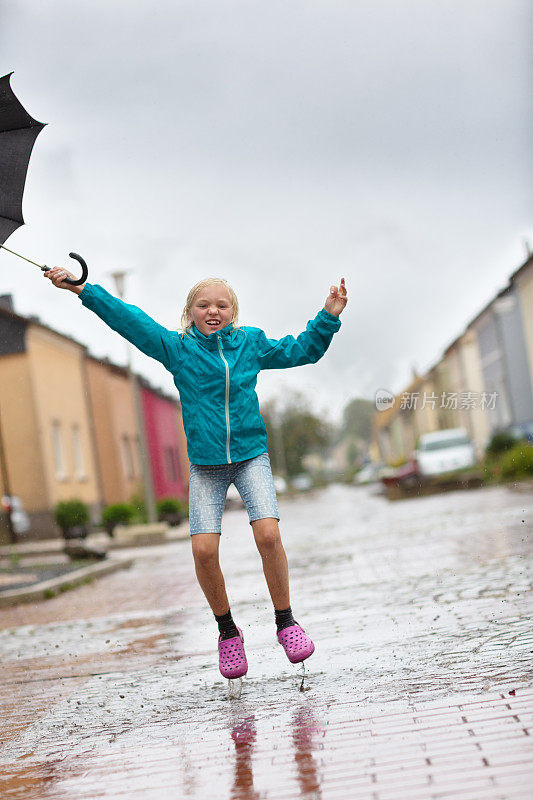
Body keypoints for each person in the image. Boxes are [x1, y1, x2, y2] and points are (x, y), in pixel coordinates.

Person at [45, 266, 347, 679]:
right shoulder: (177, 349)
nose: (213, 310)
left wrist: (327, 317)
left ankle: (286, 622)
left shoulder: (250, 345)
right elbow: (130, 320)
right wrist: (82, 288)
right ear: (189, 313)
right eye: (203, 305)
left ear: (233, 312)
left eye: (222, 305)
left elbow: (302, 350)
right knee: (203, 551)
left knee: (269, 534)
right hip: (206, 467)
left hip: (250, 456)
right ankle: (228, 633)